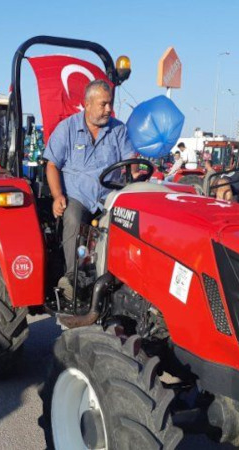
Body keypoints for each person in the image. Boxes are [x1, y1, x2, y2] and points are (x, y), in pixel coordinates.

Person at [44, 79, 135, 299]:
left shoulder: (118, 129)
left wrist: (137, 170)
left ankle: (122, 278)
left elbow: (130, 161)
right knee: (73, 218)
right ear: (87, 104)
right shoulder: (67, 129)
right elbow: (52, 165)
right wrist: (57, 196)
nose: (109, 109)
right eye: (103, 104)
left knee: (130, 221)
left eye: (110, 103)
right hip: (78, 197)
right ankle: (72, 278)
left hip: (108, 198)